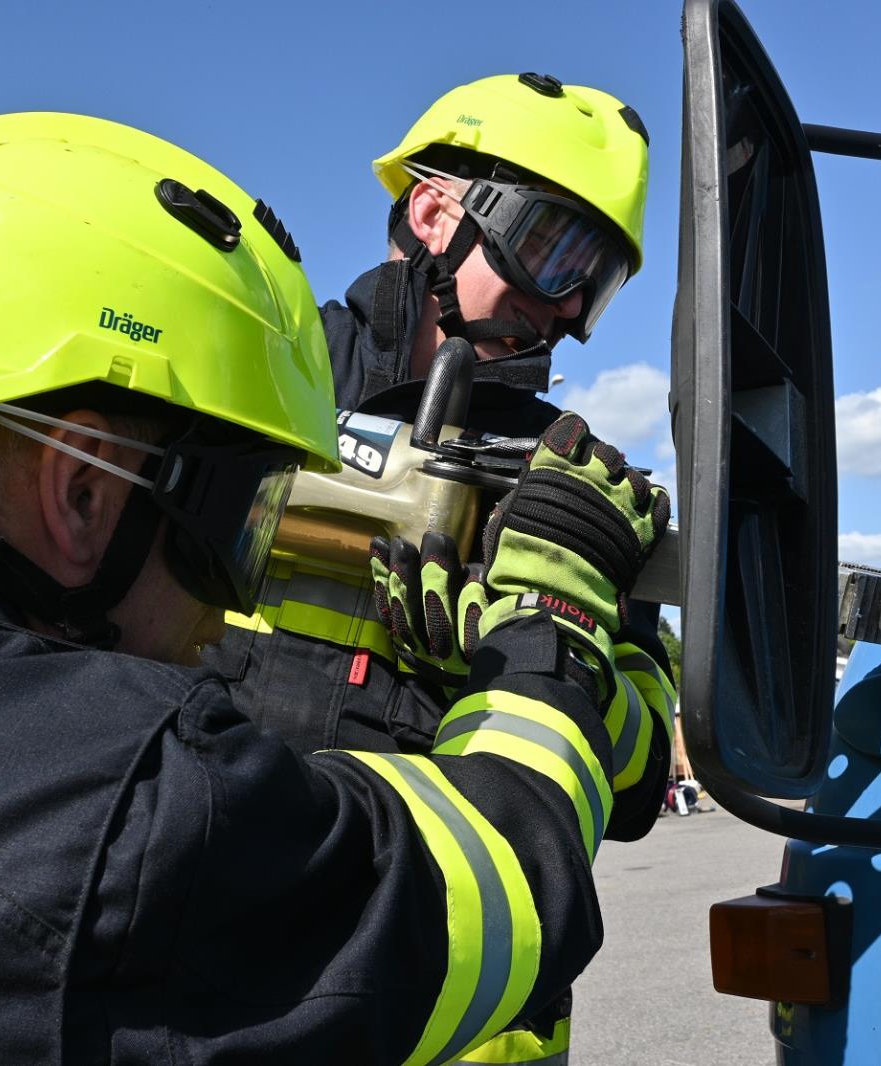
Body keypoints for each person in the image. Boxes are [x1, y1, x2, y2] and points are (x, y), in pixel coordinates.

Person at [0, 113, 668, 1065]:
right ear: (85, 490)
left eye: (600, 281)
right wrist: (547, 634)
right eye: (244, 526)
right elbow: (505, 890)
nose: (218, 619)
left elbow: (642, 763)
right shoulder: (128, 818)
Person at [204, 74, 675, 1064]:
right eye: (555, 252)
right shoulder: (247, 379)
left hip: (464, 1010)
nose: (570, 312)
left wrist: (546, 638)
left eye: (600, 281)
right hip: (220, 974)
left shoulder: (578, 481)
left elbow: (635, 788)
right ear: (434, 214)